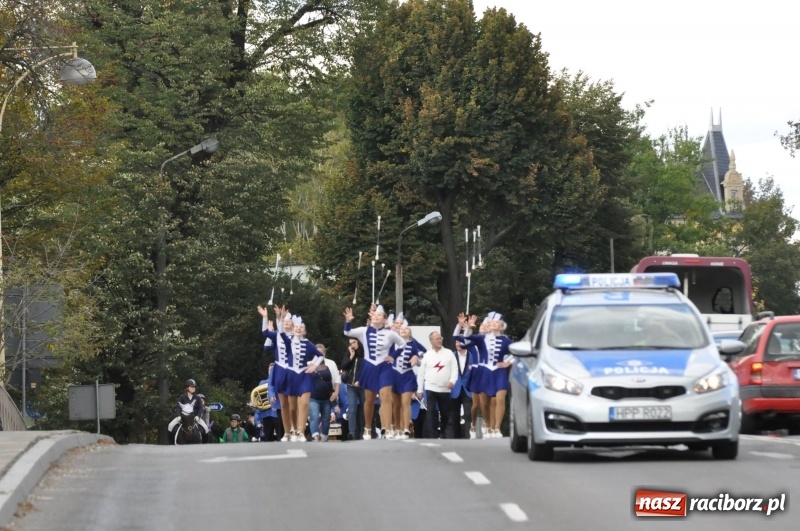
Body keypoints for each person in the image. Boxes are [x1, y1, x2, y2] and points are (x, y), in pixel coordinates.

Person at [343, 304, 406, 439]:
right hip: (369, 366)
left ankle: (388, 429)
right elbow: (347, 333)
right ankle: (367, 427)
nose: (376, 317)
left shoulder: (390, 334)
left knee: (386, 398)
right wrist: (348, 321)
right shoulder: (363, 331)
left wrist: (393, 356)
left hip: (384, 367)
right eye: (375, 315)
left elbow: (403, 344)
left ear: (384, 320)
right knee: (369, 400)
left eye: (379, 316)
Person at [416, 331, 457, 438]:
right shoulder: (427, 355)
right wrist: (420, 389)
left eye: (440, 338)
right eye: (437, 339)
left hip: (445, 389)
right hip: (430, 388)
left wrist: (452, 381)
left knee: (445, 414)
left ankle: (443, 432)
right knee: (430, 413)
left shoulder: (449, 353)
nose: (440, 340)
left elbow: (454, 369)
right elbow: (421, 373)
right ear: (431, 341)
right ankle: (433, 435)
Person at [391, 316, 425, 439]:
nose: (403, 329)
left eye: (406, 328)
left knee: (406, 402)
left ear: (410, 332)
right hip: (394, 375)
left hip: (407, 375)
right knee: (396, 404)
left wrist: (417, 358)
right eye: (401, 327)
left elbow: (424, 352)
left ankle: (406, 428)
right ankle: (397, 428)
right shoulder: (392, 341)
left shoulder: (414, 343)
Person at [168, 379, 210, 443]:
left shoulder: (197, 398)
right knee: (170, 426)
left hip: (195, 417)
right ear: (187, 388)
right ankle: (171, 444)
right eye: (192, 387)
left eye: (194, 387)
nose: (194, 388)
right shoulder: (182, 397)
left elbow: (200, 408)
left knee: (206, 428)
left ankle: (205, 445)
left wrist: (198, 417)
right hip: (183, 417)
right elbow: (178, 408)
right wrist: (179, 416)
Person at [340, 337, 366, 440]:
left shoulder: (364, 354)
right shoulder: (350, 353)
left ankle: (365, 430)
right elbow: (343, 366)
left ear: (359, 342)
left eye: (354, 342)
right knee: (352, 409)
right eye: (350, 343)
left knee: (365, 408)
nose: (352, 345)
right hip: (351, 385)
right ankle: (352, 432)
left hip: (363, 385)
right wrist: (351, 356)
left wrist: (360, 380)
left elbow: (367, 369)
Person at [450, 340, 476, 438]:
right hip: (454, 390)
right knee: (454, 416)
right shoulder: (451, 356)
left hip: (468, 390)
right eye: (456, 342)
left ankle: (467, 437)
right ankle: (456, 438)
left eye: (460, 342)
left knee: (468, 415)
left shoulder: (473, 356)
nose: (458, 344)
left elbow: (476, 373)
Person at [309, 359, 334, 441]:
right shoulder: (311, 368)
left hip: (326, 398)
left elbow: (330, 383)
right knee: (314, 416)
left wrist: (333, 394)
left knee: (326, 418)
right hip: (314, 398)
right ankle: (315, 435)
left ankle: (324, 436)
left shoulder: (327, 368)